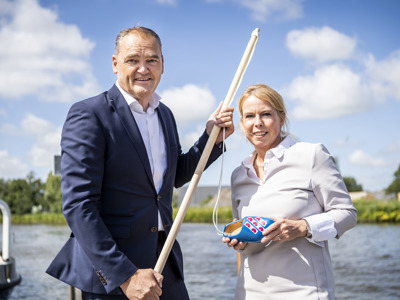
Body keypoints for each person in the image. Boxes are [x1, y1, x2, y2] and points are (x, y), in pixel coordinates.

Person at [46, 26, 234, 300]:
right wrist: (124, 275)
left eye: (152, 60)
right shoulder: (89, 114)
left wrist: (211, 138)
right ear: (115, 63)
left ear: (162, 65)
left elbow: (174, 176)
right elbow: (79, 205)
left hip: (166, 265)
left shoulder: (165, 115)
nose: (143, 69)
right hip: (115, 275)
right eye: (133, 60)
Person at [222, 84, 357, 300]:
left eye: (266, 114)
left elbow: (347, 214)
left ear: (281, 117)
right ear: (241, 123)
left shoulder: (312, 156)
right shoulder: (238, 175)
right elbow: (243, 248)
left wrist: (304, 227)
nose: (257, 123)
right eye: (249, 116)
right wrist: (239, 241)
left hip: (305, 292)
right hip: (249, 293)